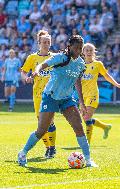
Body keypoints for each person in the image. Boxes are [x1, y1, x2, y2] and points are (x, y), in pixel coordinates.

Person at [17, 35, 97, 168]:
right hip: (51, 97)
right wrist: (36, 71)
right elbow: (43, 65)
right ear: (70, 46)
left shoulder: (81, 64)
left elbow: (77, 82)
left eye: (80, 49)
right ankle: (23, 152)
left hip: (66, 99)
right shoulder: (60, 57)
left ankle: (88, 160)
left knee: (78, 127)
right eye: (76, 48)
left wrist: (82, 103)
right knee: (42, 130)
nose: (78, 51)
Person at [21, 30, 57, 159]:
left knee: (50, 122)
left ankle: (52, 148)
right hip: (37, 95)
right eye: (44, 42)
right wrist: (26, 77)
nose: (47, 44)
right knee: (41, 124)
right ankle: (48, 147)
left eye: (48, 42)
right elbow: (24, 71)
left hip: (51, 94)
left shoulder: (54, 57)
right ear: (39, 43)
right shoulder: (32, 58)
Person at [81, 43, 120, 144]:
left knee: (87, 118)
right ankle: (105, 127)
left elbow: (107, 76)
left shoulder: (97, 64)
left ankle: (86, 143)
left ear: (94, 52)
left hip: (93, 94)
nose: (88, 52)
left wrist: (117, 84)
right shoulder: (80, 65)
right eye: (86, 50)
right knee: (85, 118)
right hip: (83, 96)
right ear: (83, 52)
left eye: (91, 50)